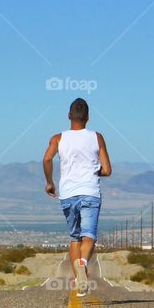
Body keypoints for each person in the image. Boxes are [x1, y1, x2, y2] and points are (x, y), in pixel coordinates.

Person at [42, 98, 111, 297]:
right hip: (90, 192)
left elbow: (47, 159)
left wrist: (50, 182)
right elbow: (107, 170)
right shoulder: (97, 137)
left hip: (68, 193)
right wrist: (93, 171)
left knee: (75, 238)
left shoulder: (57, 138)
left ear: (69, 116)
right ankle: (83, 264)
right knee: (88, 236)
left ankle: (79, 279)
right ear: (88, 117)